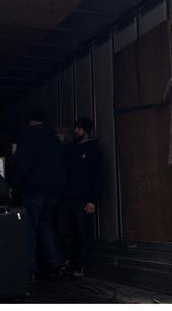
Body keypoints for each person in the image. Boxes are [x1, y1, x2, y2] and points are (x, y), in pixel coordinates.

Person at [11, 109, 66, 280]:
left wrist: (13, 185)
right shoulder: (54, 139)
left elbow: (23, 163)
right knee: (45, 225)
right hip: (54, 191)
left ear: (30, 121)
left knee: (29, 229)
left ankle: (30, 270)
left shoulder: (29, 135)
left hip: (34, 190)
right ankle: (56, 263)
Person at [60, 116, 103, 277]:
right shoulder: (70, 149)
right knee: (66, 232)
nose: (76, 131)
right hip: (67, 198)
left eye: (79, 128)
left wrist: (92, 200)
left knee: (82, 233)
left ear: (86, 131)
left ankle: (81, 265)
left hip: (82, 200)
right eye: (76, 128)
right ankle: (69, 263)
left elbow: (98, 177)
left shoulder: (93, 149)